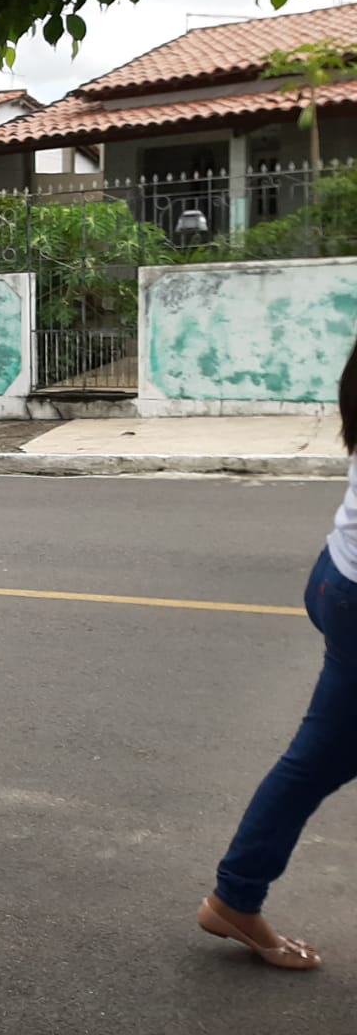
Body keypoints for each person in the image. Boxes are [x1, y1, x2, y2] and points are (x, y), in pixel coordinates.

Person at [197, 334, 357, 971]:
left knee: (318, 758)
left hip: (339, 577)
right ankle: (236, 895)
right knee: (316, 760)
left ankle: (236, 897)